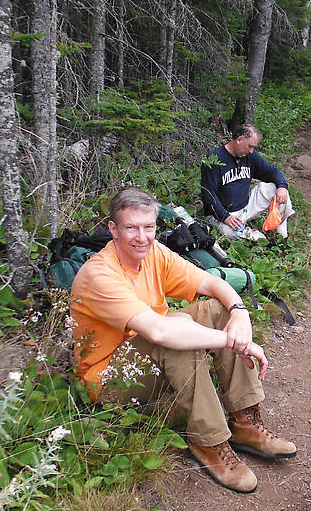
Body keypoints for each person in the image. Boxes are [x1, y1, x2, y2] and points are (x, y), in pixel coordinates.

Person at [70, 187, 296, 493]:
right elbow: (160, 332)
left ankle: (244, 422)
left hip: (149, 354)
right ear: (113, 229)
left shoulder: (155, 253)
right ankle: (209, 441)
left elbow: (211, 283)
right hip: (110, 379)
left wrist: (240, 313)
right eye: (131, 227)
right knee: (174, 333)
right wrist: (236, 342)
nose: (141, 237)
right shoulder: (99, 274)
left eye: (148, 227)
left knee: (218, 310)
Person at [200, 123, 294, 240]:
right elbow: (208, 194)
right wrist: (225, 216)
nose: (251, 151)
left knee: (277, 189)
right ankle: (259, 239)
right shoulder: (214, 159)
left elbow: (272, 172)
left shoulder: (250, 156)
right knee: (230, 234)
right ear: (239, 139)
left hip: (246, 207)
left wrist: (282, 187)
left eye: (253, 147)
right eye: (250, 146)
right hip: (222, 215)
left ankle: (281, 236)